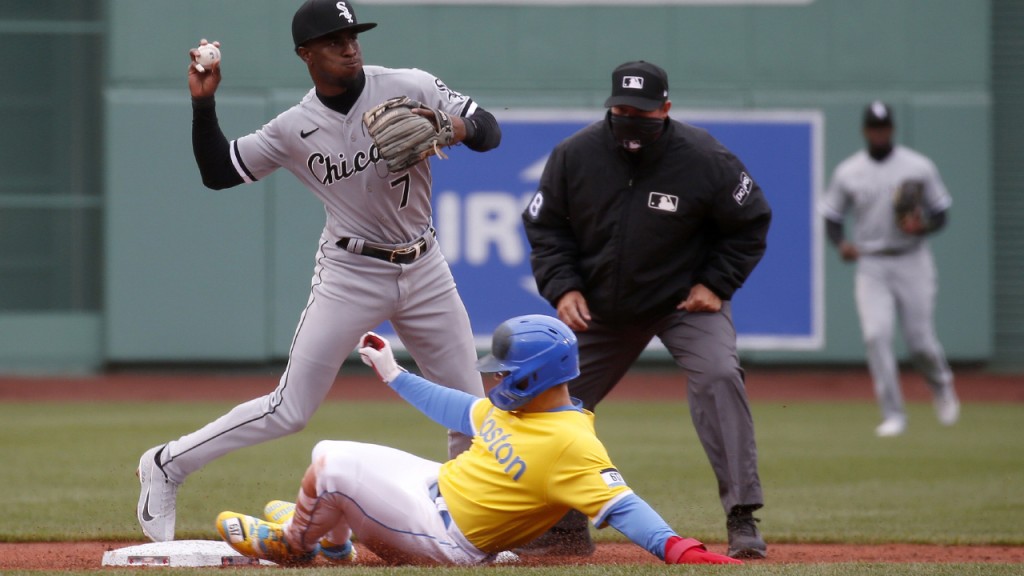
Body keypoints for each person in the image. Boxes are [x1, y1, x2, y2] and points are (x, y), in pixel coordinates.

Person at [136, 0, 502, 542]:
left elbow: (488, 128)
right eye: (334, 40)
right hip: (351, 271)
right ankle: (166, 464)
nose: (349, 46)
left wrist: (453, 127)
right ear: (306, 54)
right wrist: (203, 105)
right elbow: (219, 172)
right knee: (290, 409)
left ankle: (464, 533)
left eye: (353, 35)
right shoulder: (294, 128)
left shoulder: (411, 85)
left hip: (425, 267)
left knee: (470, 413)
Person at [214, 316, 743, 566]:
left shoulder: (571, 443)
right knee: (342, 468)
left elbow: (626, 508)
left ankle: (295, 544)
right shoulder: (522, 408)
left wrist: (682, 550)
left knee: (328, 460)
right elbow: (456, 409)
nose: (494, 380)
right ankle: (332, 541)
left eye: (504, 373)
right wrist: (393, 373)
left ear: (536, 376)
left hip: (449, 540)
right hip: (434, 491)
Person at [521, 61, 772, 559]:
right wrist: (564, 287)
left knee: (720, 374)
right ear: (609, 107)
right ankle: (567, 523)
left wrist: (716, 283)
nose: (630, 119)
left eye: (641, 111)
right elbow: (546, 228)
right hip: (601, 308)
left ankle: (742, 517)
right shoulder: (575, 155)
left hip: (682, 302)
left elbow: (750, 222)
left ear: (666, 109)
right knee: (550, 403)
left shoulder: (705, 158)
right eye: (621, 109)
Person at [821, 101, 958, 438]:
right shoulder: (849, 171)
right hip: (871, 263)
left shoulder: (918, 166)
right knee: (876, 335)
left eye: (883, 127)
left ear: (892, 129)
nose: (879, 133)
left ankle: (941, 385)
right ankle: (894, 413)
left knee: (920, 342)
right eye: (873, 127)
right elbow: (831, 217)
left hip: (912, 258)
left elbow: (941, 212)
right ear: (865, 131)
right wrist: (841, 245)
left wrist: (921, 226)